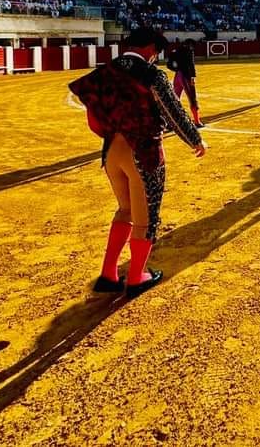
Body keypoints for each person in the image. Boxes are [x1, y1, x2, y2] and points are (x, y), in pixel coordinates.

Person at [69, 28, 206, 299]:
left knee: (124, 210)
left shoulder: (105, 71)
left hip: (111, 153)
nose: (156, 57)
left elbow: (93, 118)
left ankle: (109, 273)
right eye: (156, 51)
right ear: (150, 48)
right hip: (142, 152)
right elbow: (173, 111)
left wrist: (113, 133)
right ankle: (136, 276)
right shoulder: (152, 75)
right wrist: (194, 139)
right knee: (146, 218)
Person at [168, 39, 203, 128]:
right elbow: (191, 64)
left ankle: (170, 123)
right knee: (192, 98)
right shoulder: (189, 51)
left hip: (177, 76)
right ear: (190, 45)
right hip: (186, 76)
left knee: (175, 98)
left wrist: (176, 69)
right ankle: (197, 121)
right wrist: (192, 77)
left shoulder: (176, 51)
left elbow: (169, 64)